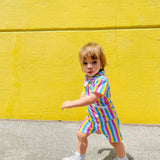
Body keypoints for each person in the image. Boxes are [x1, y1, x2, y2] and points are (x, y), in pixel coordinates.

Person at [61, 42, 127, 160]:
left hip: (107, 119)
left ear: (102, 63)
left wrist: (71, 104)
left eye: (94, 62)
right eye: (85, 63)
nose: (89, 66)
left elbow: (92, 98)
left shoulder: (102, 80)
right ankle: (79, 156)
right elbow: (86, 89)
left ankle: (122, 158)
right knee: (81, 135)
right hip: (92, 117)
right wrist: (82, 94)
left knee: (115, 142)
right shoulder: (89, 77)